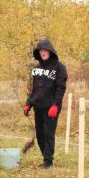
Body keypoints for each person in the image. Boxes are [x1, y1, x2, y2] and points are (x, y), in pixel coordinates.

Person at [23, 39, 67, 169]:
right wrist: (28, 104)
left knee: (48, 134)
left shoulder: (59, 67)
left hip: (51, 107)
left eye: (45, 50)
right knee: (40, 135)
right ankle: (45, 158)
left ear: (50, 51)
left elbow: (60, 88)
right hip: (38, 106)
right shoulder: (36, 69)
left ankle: (48, 161)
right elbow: (33, 89)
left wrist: (56, 105)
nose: (43, 52)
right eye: (40, 50)